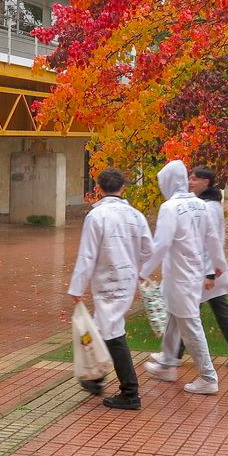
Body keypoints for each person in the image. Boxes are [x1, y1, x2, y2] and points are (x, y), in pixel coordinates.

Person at [67, 167, 154, 410]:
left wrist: (77, 287)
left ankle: (130, 391)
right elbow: (149, 248)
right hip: (125, 279)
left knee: (112, 333)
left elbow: (87, 255)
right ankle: (96, 378)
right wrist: (135, 265)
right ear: (123, 188)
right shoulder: (135, 215)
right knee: (103, 328)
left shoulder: (96, 217)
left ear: (99, 188)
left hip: (107, 281)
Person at [140, 159, 225, 395]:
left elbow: (161, 244)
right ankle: (167, 363)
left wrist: (143, 271)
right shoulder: (201, 206)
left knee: (190, 325)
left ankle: (208, 376)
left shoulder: (170, 208)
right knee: (174, 319)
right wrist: (219, 264)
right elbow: (213, 238)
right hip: (189, 274)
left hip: (181, 277)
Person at [158, 166, 228, 368]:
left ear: (207, 183)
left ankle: (174, 356)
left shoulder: (208, 207)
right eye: (190, 178)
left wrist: (210, 272)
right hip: (203, 270)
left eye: (195, 179)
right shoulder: (205, 205)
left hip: (203, 271)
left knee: (184, 312)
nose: (190, 182)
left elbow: (210, 241)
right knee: (209, 310)